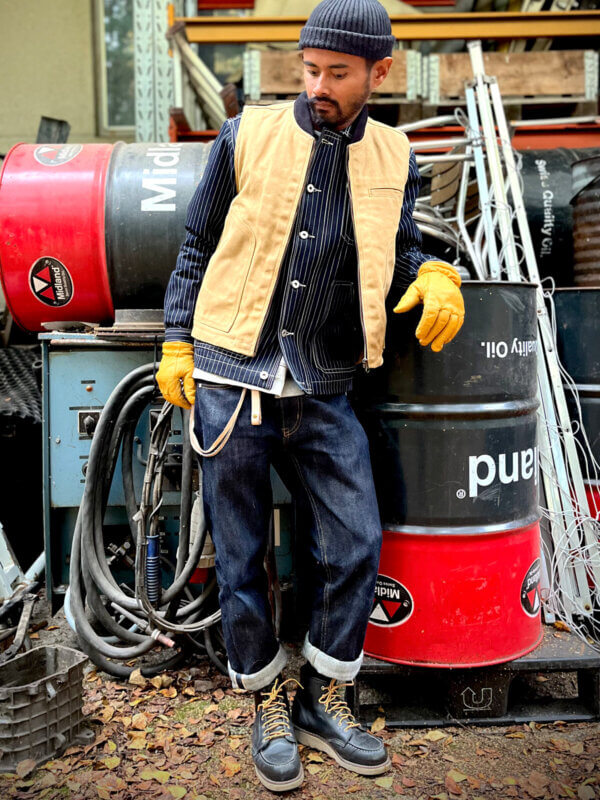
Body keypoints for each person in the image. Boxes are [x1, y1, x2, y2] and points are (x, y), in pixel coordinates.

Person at [157, 0, 464, 791]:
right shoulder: (246, 135)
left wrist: (432, 271)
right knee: (242, 553)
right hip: (233, 375)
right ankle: (263, 702)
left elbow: (396, 256)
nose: (318, 86)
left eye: (337, 74)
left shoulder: (395, 155)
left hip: (325, 381)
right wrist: (175, 339)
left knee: (355, 537)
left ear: (378, 73)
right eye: (310, 70)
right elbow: (196, 240)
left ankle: (326, 697)